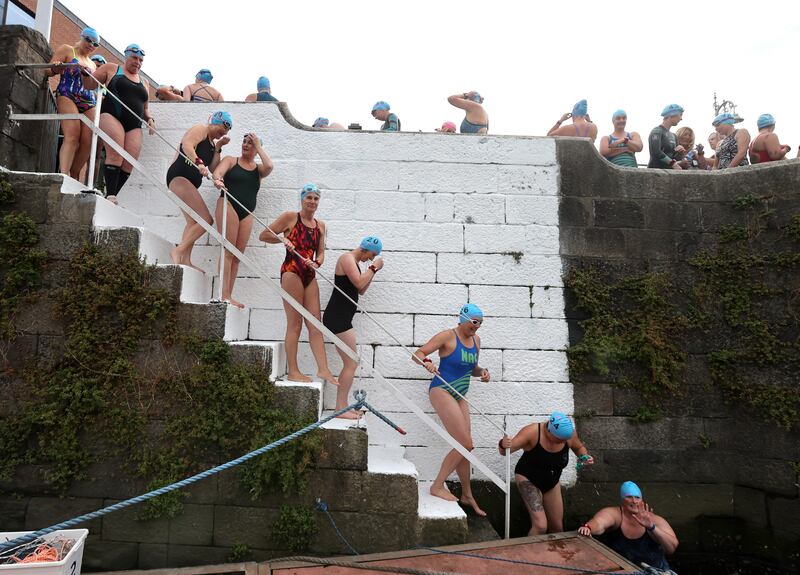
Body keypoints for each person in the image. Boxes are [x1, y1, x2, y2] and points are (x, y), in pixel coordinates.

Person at [413, 304, 491, 515]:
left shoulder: (477, 341)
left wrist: (482, 372)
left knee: (467, 446)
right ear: (464, 319)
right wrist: (427, 362)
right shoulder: (447, 336)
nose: (477, 327)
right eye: (475, 322)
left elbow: (471, 368)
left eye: (481, 323)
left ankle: (466, 494)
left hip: (460, 394)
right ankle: (437, 486)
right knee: (465, 443)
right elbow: (418, 353)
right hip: (442, 390)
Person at [260, 183, 338, 385]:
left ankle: (323, 369)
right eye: (309, 197)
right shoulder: (290, 217)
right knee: (295, 323)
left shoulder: (321, 225)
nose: (312, 201)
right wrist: (282, 240)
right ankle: (293, 370)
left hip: (309, 273)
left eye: (316, 198)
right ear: (302, 199)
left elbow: (321, 252)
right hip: (291, 271)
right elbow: (264, 234)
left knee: (315, 324)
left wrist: (318, 262)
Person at [499, 412, 593, 534]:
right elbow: (504, 451)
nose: (563, 443)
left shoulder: (568, 435)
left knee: (557, 528)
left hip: (551, 482)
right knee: (541, 526)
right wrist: (503, 444)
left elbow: (578, 447)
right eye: (560, 440)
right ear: (549, 431)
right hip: (528, 480)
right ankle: (532, 552)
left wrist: (584, 456)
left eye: (565, 440)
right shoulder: (532, 432)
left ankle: (552, 552)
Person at [322, 236, 384, 418]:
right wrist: (374, 268)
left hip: (341, 318)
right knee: (351, 363)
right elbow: (358, 282)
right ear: (366, 248)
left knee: (351, 362)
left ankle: (341, 406)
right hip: (337, 317)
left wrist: (374, 271)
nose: (371, 259)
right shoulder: (347, 259)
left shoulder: (355, 263)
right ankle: (340, 408)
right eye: (372, 255)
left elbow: (361, 289)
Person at [211, 133, 273, 308]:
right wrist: (218, 180)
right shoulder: (232, 160)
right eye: (244, 142)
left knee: (237, 256)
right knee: (228, 251)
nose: (246, 145)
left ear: (257, 148)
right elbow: (218, 172)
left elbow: (269, 166)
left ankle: (229, 295)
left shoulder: (258, 170)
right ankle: (223, 294)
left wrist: (258, 145)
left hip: (246, 213)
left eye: (250, 143)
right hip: (228, 204)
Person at [167, 111, 231, 271]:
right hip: (180, 177)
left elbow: (213, 167)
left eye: (225, 132)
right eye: (221, 129)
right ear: (214, 122)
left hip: (188, 182)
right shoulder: (201, 129)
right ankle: (178, 251)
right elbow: (187, 144)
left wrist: (218, 147)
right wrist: (199, 163)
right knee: (206, 220)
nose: (222, 133)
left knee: (193, 222)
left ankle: (185, 260)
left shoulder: (211, 143)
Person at [93, 44, 154, 203]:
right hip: (111, 115)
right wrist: (86, 74)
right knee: (116, 154)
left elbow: (146, 107)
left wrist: (150, 119)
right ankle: (112, 195)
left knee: (129, 162)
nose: (138, 62)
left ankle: (110, 194)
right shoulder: (112, 68)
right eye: (134, 58)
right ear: (126, 56)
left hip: (134, 123)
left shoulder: (145, 82)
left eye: (141, 60)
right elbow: (90, 83)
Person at [578, 481, 679, 571]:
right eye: (629, 497)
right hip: (623, 571)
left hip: (655, 570)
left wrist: (651, 527)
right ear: (622, 500)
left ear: (642, 500)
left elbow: (672, 548)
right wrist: (588, 527)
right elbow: (600, 523)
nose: (634, 501)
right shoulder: (615, 514)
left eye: (637, 497)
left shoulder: (655, 520)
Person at [47, 27, 101, 180]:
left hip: (88, 99)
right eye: (89, 40)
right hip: (67, 93)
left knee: (89, 140)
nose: (91, 45)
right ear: (82, 37)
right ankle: (63, 174)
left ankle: (75, 173)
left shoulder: (92, 63)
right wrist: (55, 68)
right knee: (72, 134)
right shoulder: (67, 50)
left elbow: (93, 85)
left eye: (95, 44)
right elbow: (47, 72)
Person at [648, 104, 685, 169]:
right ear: (672, 114)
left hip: (669, 172)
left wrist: (680, 153)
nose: (681, 118)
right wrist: (673, 163)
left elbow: (674, 158)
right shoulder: (657, 131)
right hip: (655, 171)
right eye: (680, 115)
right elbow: (656, 152)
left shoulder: (674, 136)